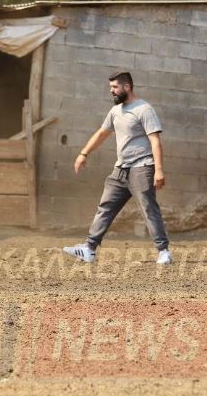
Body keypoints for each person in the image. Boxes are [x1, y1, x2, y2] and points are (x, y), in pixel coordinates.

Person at [63, 71, 172, 264]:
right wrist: (84, 153)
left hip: (142, 167)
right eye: (110, 88)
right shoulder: (115, 111)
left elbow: (155, 141)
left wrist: (159, 169)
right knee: (105, 207)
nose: (112, 91)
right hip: (120, 170)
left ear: (127, 87)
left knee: (149, 209)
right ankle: (89, 249)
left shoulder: (144, 109)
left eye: (115, 87)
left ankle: (163, 251)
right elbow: (102, 133)